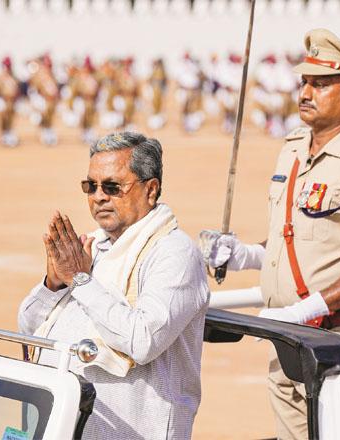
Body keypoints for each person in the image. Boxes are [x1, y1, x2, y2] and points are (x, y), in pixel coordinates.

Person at [200, 29, 340, 439]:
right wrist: (246, 254)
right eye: (305, 82)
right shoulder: (294, 149)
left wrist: (305, 308)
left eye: (322, 84)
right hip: (290, 339)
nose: (306, 92)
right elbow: (296, 240)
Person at [18, 131, 209, 439]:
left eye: (112, 187)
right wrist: (54, 284)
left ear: (151, 190)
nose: (98, 196)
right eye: (90, 186)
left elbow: (143, 339)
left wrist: (80, 282)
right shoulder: (94, 246)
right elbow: (29, 329)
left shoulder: (173, 253)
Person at [0, 56, 21, 147]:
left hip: (12, 101)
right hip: (3, 100)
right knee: (3, 119)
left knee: (11, 118)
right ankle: (3, 134)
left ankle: (10, 133)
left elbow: (17, 89)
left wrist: (17, 99)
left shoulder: (14, 77)